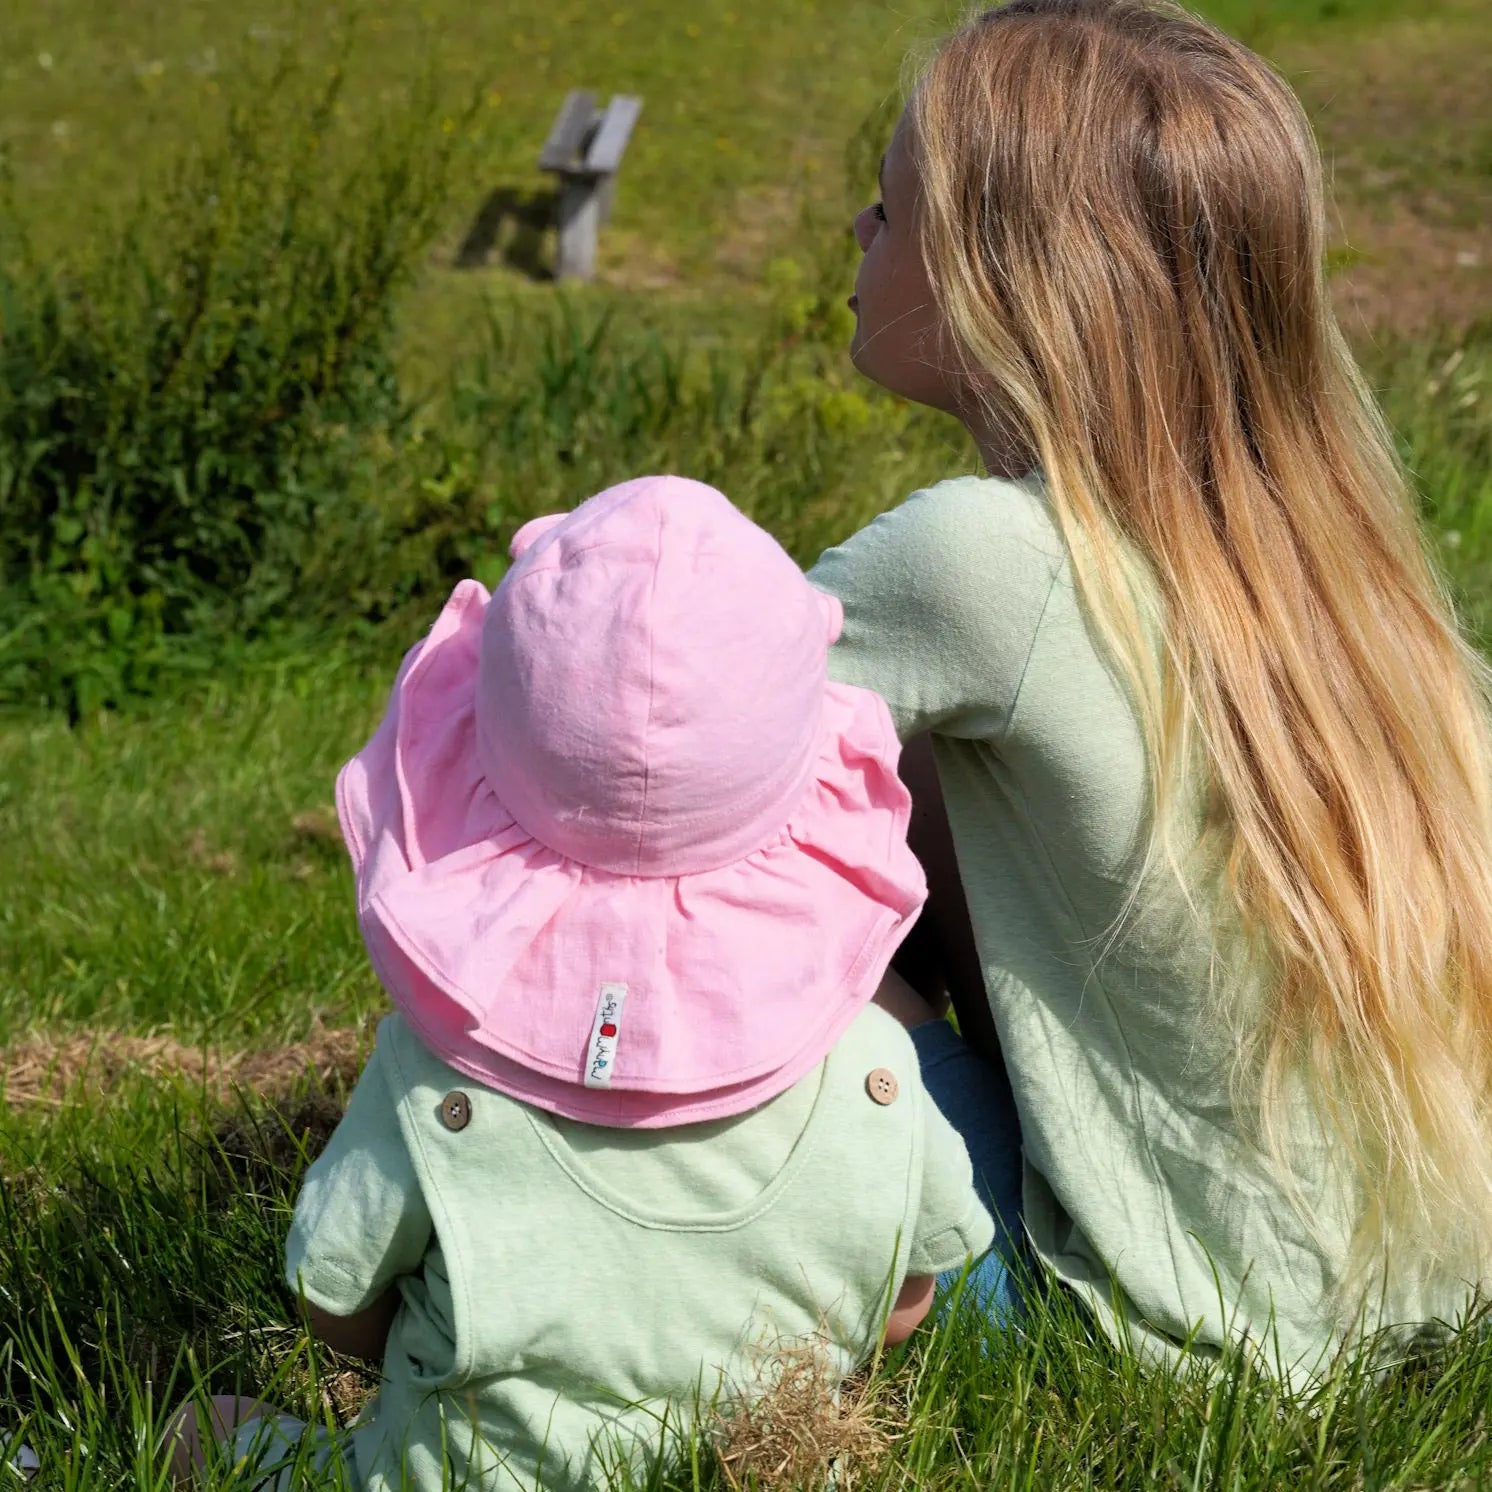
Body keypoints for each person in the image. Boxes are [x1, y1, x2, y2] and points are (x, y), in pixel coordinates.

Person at [811, 0, 1492, 1383]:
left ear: (1003, 273)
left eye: (889, 211)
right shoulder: (1342, 580)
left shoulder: (989, 562)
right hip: (1404, 1306)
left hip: (1149, 1329)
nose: (860, 240)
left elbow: (621, 746)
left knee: (706, 911)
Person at [164, 476, 995, 1490]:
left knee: (213, 1426)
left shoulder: (434, 1083)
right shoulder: (873, 1065)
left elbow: (331, 1293)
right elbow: (909, 1295)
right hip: (760, 1465)